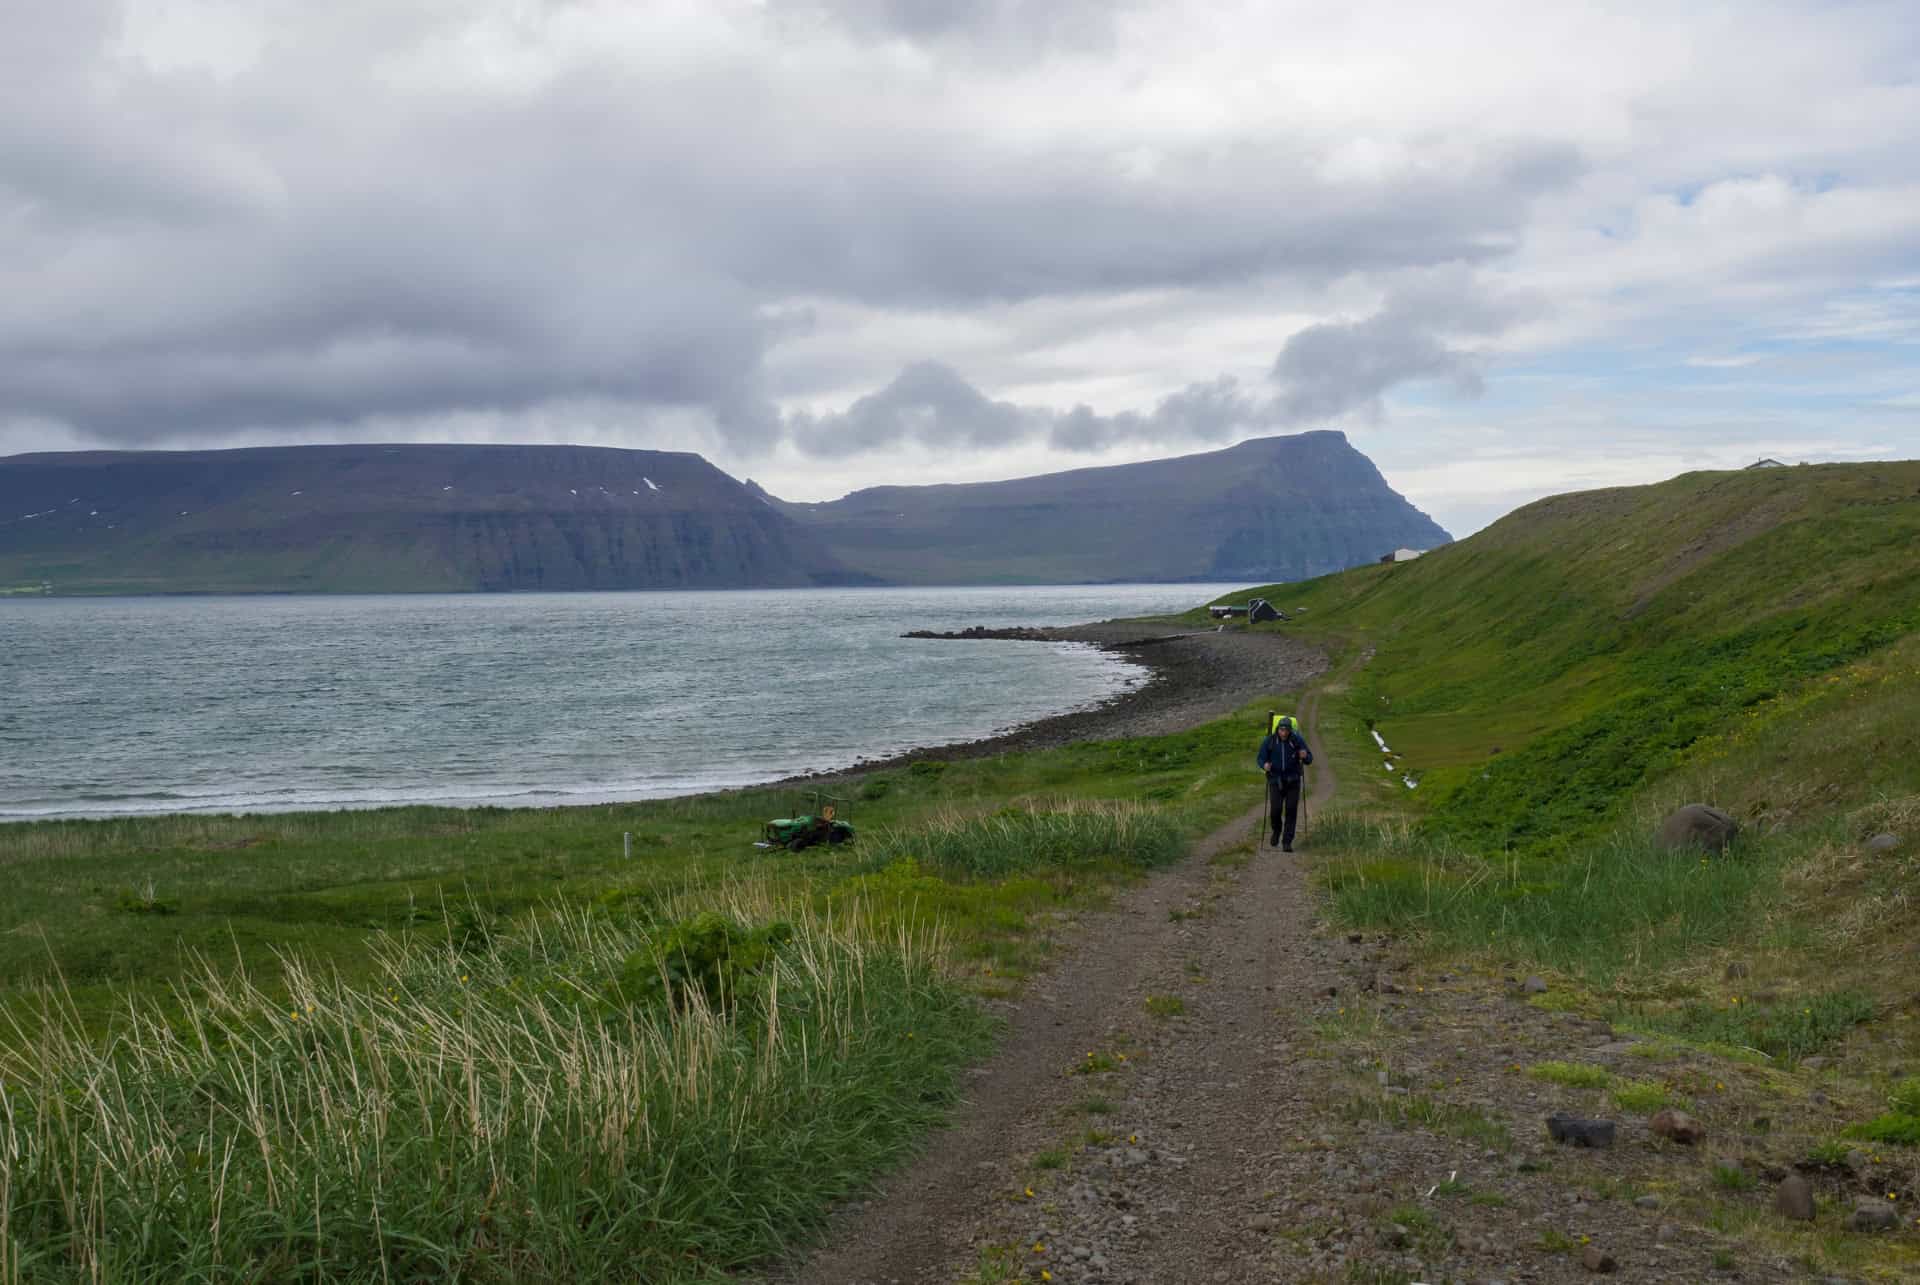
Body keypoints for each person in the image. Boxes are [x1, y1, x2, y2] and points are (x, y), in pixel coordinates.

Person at [1257, 713, 1313, 851]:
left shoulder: (1296, 740)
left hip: (1293, 781)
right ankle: (1276, 831)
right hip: (1275, 780)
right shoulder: (1270, 741)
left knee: (1291, 810)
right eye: (1282, 730)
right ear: (1278, 729)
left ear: (1290, 730)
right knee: (1275, 810)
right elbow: (1260, 758)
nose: (1284, 733)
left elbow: (1309, 758)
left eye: (1287, 730)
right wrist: (1264, 765)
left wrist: (1304, 756)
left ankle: (1287, 842)